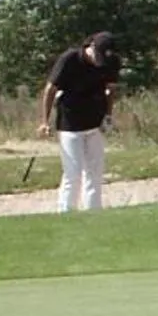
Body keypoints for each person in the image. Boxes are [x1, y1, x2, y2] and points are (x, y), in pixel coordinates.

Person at [38, 31, 122, 211]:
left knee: (95, 173)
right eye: (98, 56)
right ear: (91, 46)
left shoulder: (111, 61)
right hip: (70, 124)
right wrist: (45, 121)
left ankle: (93, 212)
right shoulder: (69, 59)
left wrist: (108, 116)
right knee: (73, 173)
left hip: (95, 123)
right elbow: (50, 90)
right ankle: (66, 212)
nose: (100, 62)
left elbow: (110, 90)